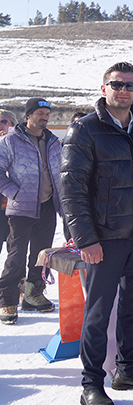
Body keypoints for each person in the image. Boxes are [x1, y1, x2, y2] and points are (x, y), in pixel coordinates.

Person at [61, 62, 133, 405]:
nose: (123, 90)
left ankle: (126, 369)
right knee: (98, 313)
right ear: (103, 87)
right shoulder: (85, 129)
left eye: (129, 85)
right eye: (117, 84)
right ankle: (91, 383)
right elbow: (72, 188)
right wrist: (86, 239)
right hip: (103, 240)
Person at [0, 98, 61, 325]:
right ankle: (7, 300)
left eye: (47, 113)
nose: (44, 117)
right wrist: (13, 192)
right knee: (15, 257)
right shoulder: (11, 141)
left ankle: (33, 294)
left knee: (41, 255)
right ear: (28, 116)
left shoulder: (53, 141)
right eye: (40, 113)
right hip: (21, 208)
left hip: (47, 207)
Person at [0, 110, 16, 260]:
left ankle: (14, 283)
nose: (0, 126)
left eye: (4, 122)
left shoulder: (20, 146)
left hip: (15, 208)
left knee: (15, 252)